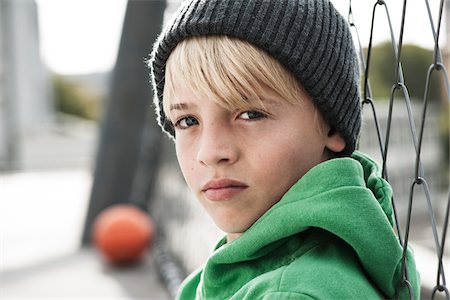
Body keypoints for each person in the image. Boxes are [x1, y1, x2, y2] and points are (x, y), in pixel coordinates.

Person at [149, 0, 421, 298]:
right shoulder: (243, 265)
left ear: (331, 125)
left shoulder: (292, 293)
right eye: (188, 121)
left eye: (250, 114)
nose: (210, 152)